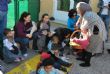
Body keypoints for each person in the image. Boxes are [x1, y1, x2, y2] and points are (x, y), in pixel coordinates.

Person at [75, 2, 107, 67]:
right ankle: (83, 58)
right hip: (94, 30)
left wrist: (79, 27)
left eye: (78, 9)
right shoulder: (87, 13)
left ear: (82, 9)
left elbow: (83, 27)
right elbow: (81, 18)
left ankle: (87, 63)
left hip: (97, 33)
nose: (77, 10)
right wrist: (77, 22)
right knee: (85, 45)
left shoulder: (87, 15)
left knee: (89, 48)